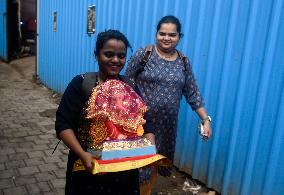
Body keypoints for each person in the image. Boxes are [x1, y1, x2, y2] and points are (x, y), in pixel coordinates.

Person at [125, 15, 213, 194]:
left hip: (167, 126)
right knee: (139, 165)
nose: (166, 38)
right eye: (162, 33)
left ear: (179, 36)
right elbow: (126, 83)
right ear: (156, 34)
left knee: (156, 164)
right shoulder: (144, 55)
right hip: (140, 124)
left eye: (172, 35)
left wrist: (205, 119)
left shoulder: (183, 62)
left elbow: (192, 92)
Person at [55, 29, 141, 195]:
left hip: (123, 170)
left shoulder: (131, 87)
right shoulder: (81, 84)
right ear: (97, 55)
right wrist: (82, 154)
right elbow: (63, 124)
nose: (115, 60)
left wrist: (147, 149)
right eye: (108, 54)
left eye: (121, 56)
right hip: (88, 166)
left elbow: (147, 121)